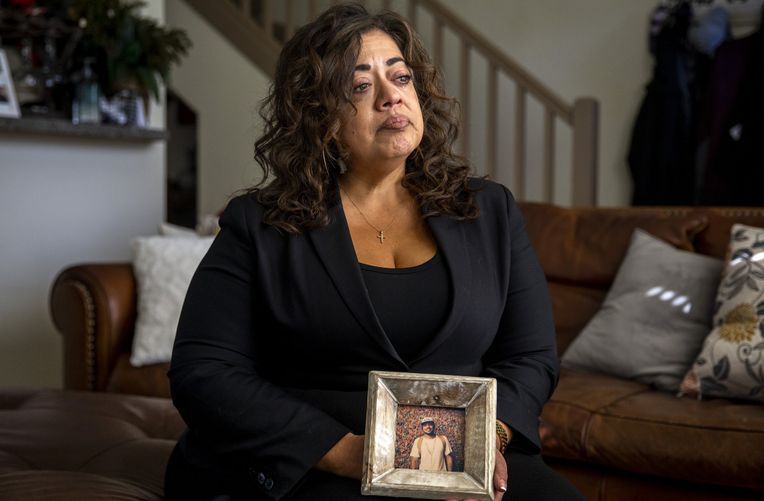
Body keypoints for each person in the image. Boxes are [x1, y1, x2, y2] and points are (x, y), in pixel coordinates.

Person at [164, 3, 583, 501]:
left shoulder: (489, 211)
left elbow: (530, 357)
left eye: (400, 77)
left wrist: (484, 440)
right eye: (361, 86)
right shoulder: (261, 223)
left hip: (456, 459)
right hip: (312, 459)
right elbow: (204, 371)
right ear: (320, 117)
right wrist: (347, 452)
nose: (391, 97)